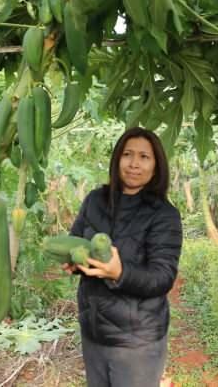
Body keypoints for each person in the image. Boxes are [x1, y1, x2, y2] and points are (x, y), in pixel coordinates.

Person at [62, 126, 183, 387]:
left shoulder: (163, 215)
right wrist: (75, 263)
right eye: (127, 154)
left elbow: (162, 277)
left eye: (144, 157)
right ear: (117, 159)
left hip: (137, 344)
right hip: (93, 331)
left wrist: (120, 273)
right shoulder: (95, 200)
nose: (134, 164)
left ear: (156, 166)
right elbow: (78, 242)